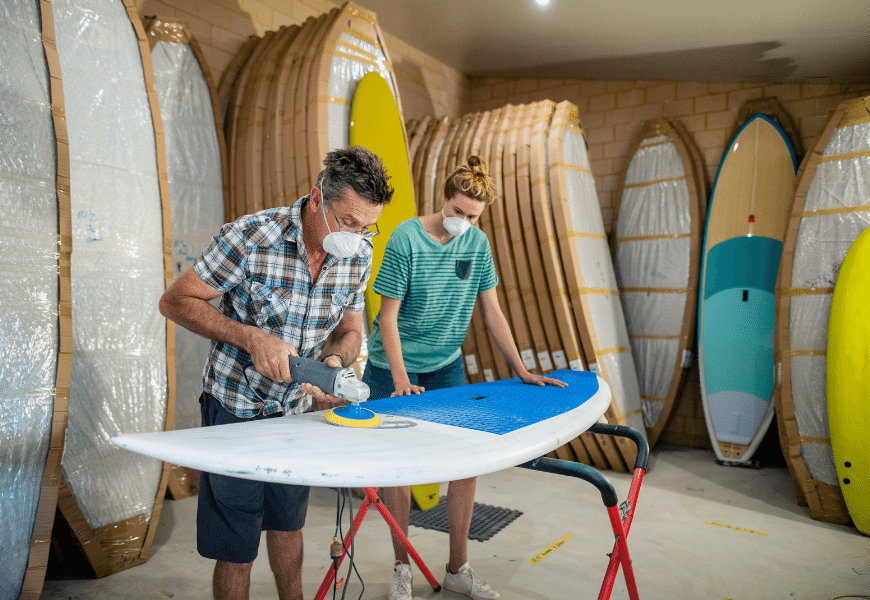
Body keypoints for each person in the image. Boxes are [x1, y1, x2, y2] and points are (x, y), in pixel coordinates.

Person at [158, 146, 392, 600]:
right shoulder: (250, 237)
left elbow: (349, 330)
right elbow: (176, 301)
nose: (358, 237)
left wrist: (335, 365)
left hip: (293, 413)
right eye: (349, 223)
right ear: (317, 199)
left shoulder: (357, 256)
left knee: (288, 525)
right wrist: (250, 338)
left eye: (369, 227)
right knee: (238, 546)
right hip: (234, 406)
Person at [362, 155, 567, 600]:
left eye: (472, 216)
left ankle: (458, 566)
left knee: (468, 461)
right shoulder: (406, 238)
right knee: (398, 468)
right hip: (392, 363)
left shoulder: (477, 243)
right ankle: (402, 568)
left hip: (446, 362)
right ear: (444, 200)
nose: (463, 222)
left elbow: (492, 311)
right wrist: (399, 377)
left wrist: (521, 368)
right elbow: (388, 317)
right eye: (457, 211)